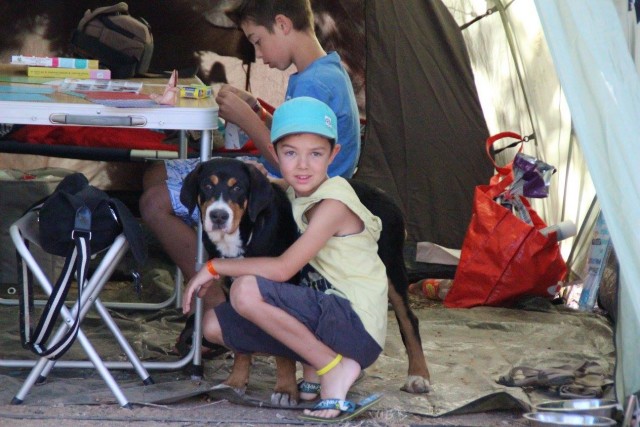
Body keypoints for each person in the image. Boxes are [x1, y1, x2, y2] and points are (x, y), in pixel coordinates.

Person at [139, 0, 361, 317]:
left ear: (283, 25)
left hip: (295, 194)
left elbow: (296, 166)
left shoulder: (315, 83)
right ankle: (207, 273)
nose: (259, 55)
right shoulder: (322, 72)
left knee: (154, 201)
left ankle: (216, 305)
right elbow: (295, 139)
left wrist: (247, 120)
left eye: (257, 41)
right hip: (281, 175)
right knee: (157, 172)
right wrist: (259, 113)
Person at [182, 97, 387, 421]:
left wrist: (214, 267)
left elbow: (284, 269)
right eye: (291, 154)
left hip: (356, 325)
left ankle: (331, 369)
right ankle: (325, 364)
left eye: (315, 154)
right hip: (323, 319)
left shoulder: (334, 203)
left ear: (334, 155)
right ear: (277, 156)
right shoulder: (298, 194)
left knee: (246, 291)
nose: (302, 165)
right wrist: (260, 181)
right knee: (212, 325)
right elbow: (280, 189)